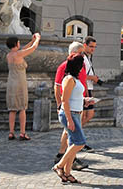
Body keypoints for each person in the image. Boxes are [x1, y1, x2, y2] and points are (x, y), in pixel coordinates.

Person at [52, 48, 88, 183]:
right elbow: (64, 100)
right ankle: (59, 166)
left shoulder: (75, 79)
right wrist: (69, 119)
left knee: (73, 144)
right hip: (70, 114)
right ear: (77, 66)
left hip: (76, 113)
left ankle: (67, 174)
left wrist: (85, 101)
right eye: (82, 64)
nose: (83, 67)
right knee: (80, 142)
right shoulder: (68, 79)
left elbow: (74, 97)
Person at [6, 34, 40, 140]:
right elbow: (33, 48)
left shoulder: (9, 55)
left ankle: (11, 132)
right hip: (20, 84)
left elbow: (25, 49)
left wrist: (31, 41)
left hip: (11, 83)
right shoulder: (18, 54)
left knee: (12, 109)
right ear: (16, 44)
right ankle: (22, 132)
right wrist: (37, 39)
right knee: (22, 108)